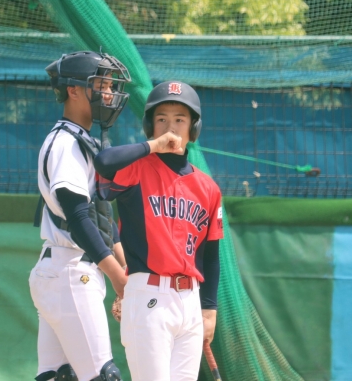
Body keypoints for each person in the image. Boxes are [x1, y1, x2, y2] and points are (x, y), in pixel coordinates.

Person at [95, 81, 223, 381]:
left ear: (194, 128)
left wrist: (209, 309)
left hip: (190, 301)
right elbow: (103, 162)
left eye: (180, 119)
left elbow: (211, 254)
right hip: (149, 295)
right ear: (150, 126)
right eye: (161, 119)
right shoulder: (137, 168)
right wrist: (153, 145)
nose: (171, 127)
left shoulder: (208, 188)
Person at [29, 51, 129, 381]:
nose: (110, 94)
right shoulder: (66, 143)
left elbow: (101, 218)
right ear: (73, 90)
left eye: (111, 86)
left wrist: (125, 266)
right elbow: (78, 219)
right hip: (71, 272)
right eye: (103, 85)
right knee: (103, 376)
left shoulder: (82, 140)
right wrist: (118, 278)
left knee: (58, 376)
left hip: (63, 271)